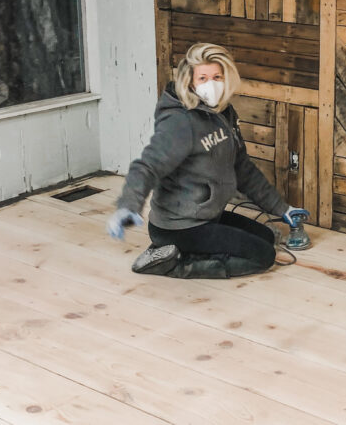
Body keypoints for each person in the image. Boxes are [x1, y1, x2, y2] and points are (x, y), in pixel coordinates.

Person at [106, 42, 308, 278]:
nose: (211, 84)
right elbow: (147, 166)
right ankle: (174, 263)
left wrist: (282, 209)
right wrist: (128, 206)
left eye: (217, 76)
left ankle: (173, 252)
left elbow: (243, 169)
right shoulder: (180, 122)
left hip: (207, 215)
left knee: (266, 237)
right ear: (190, 81)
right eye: (203, 78)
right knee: (263, 256)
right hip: (180, 225)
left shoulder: (224, 114)